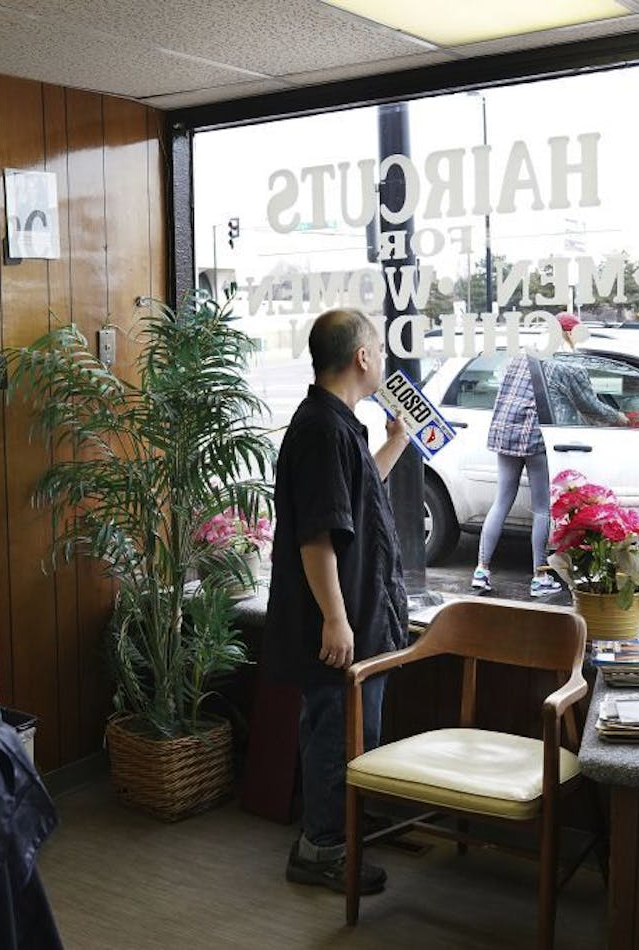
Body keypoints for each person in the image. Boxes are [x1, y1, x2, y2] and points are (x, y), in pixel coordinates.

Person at [264, 307, 411, 895]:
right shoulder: (323, 429)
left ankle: (340, 831)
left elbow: (354, 497)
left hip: (357, 617)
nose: (382, 358)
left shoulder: (338, 424)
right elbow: (317, 535)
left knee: (352, 732)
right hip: (339, 623)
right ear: (363, 358)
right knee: (335, 733)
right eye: (379, 348)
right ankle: (321, 849)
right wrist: (335, 618)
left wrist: (397, 442)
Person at [472, 313, 626, 596]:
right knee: (541, 508)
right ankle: (538, 577)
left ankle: (481, 570)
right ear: (568, 335)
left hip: (505, 432)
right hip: (535, 437)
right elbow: (590, 406)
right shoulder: (568, 365)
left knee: (501, 501)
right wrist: (621, 418)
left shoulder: (522, 355)